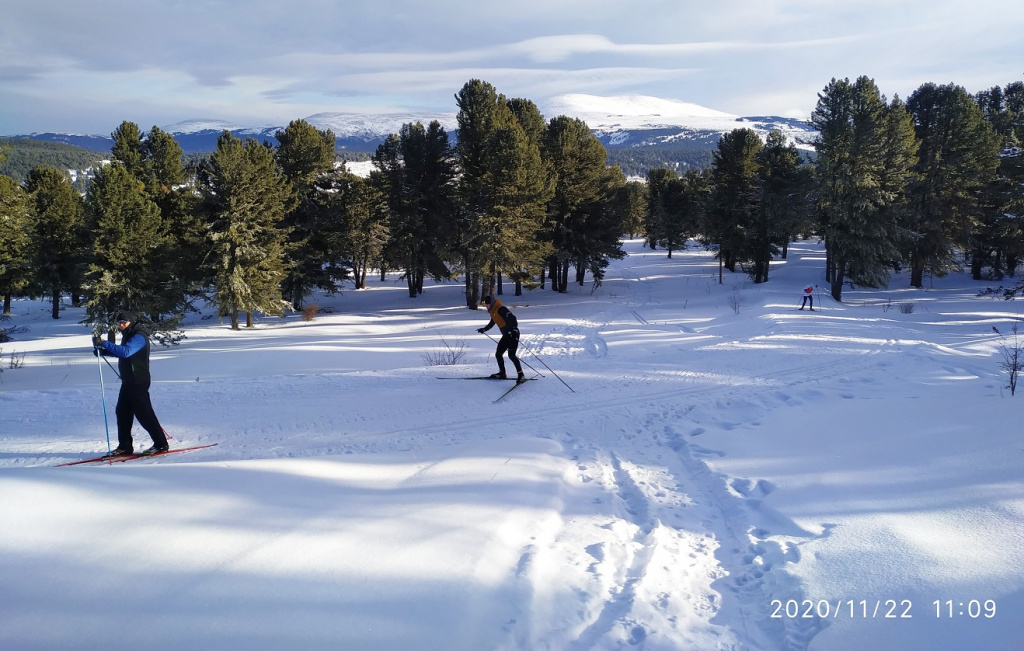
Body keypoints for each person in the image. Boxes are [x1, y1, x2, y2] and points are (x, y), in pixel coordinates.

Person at [92, 310, 170, 456]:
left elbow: (126, 352)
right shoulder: (128, 335)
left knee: (144, 414)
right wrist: (104, 352)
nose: (121, 325)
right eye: (119, 323)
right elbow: (123, 353)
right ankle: (125, 446)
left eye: (124, 322)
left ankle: (161, 444)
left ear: (131, 322)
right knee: (122, 412)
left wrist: (104, 343)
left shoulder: (139, 336)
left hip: (138, 381)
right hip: (128, 381)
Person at [477, 295, 526, 383]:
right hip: (506, 335)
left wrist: (512, 329)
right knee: (498, 354)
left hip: (513, 334)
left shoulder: (501, 309)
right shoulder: (493, 311)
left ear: (491, 303)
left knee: (511, 355)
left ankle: (521, 374)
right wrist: (484, 329)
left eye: (487, 305)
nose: (486, 307)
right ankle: (502, 373)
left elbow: (513, 319)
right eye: (485, 305)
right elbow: (492, 322)